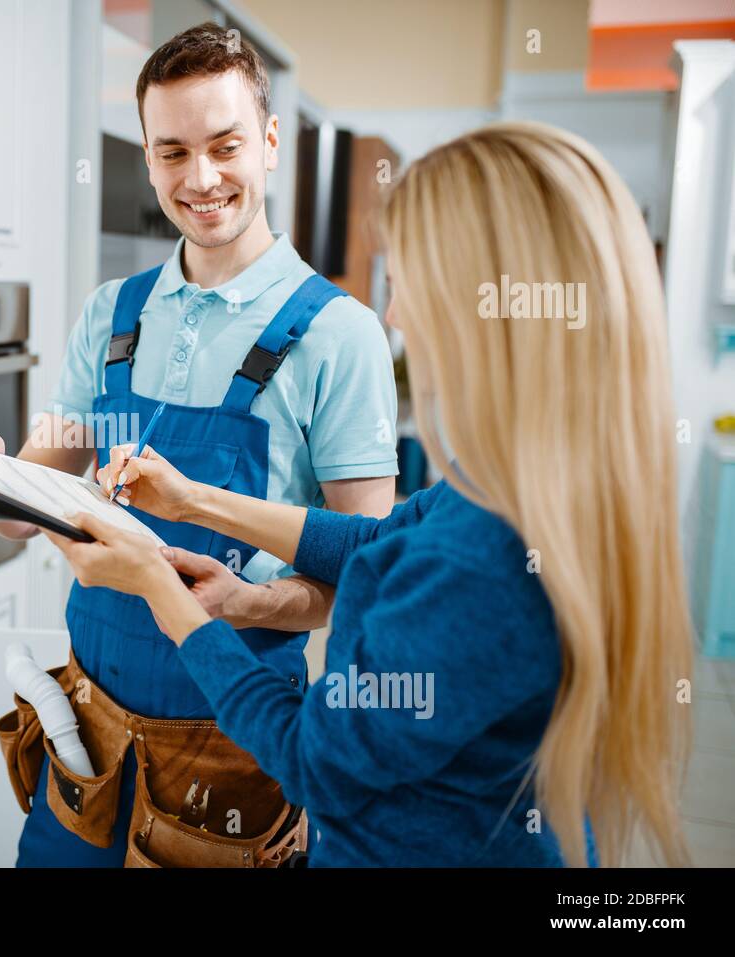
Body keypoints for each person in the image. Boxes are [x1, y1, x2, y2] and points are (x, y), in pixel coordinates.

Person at [44, 121, 693, 866]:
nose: (397, 314)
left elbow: (314, 756)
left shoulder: (477, 563)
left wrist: (161, 588)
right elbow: (375, 542)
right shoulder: (523, 491)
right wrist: (195, 503)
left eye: (411, 282)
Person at [0, 22, 398, 866]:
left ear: (270, 143)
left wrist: (247, 602)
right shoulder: (111, 315)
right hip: (82, 742)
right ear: (148, 155)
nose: (199, 179)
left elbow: (369, 580)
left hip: (232, 750)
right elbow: (27, 507)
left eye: (225, 145)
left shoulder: (341, 337)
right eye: (171, 153)